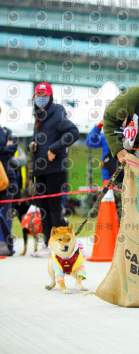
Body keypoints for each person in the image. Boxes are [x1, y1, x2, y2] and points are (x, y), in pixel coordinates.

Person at [29, 82, 80, 257]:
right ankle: (48, 244)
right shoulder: (38, 115)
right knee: (42, 207)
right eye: (38, 96)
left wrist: (54, 148)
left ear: (50, 97)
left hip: (55, 169)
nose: (41, 100)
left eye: (44, 96)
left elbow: (73, 132)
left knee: (54, 207)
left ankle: (60, 245)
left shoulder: (57, 112)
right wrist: (35, 145)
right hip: (40, 170)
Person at [0, 108, 18, 256]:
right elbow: (8, 149)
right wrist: (4, 148)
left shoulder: (6, 131)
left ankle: (7, 246)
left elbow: (13, 147)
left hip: (7, 179)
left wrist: (6, 149)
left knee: (5, 213)